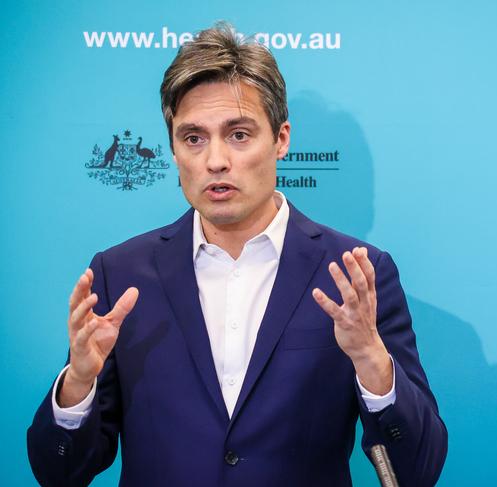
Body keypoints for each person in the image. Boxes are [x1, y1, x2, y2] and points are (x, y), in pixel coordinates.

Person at [27, 23, 447, 486]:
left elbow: (419, 469)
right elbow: (58, 473)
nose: (215, 161)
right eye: (193, 138)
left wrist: (372, 361)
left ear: (281, 139)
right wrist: (78, 385)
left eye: (239, 135)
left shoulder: (356, 273)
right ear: (173, 149)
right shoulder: (119, 274)